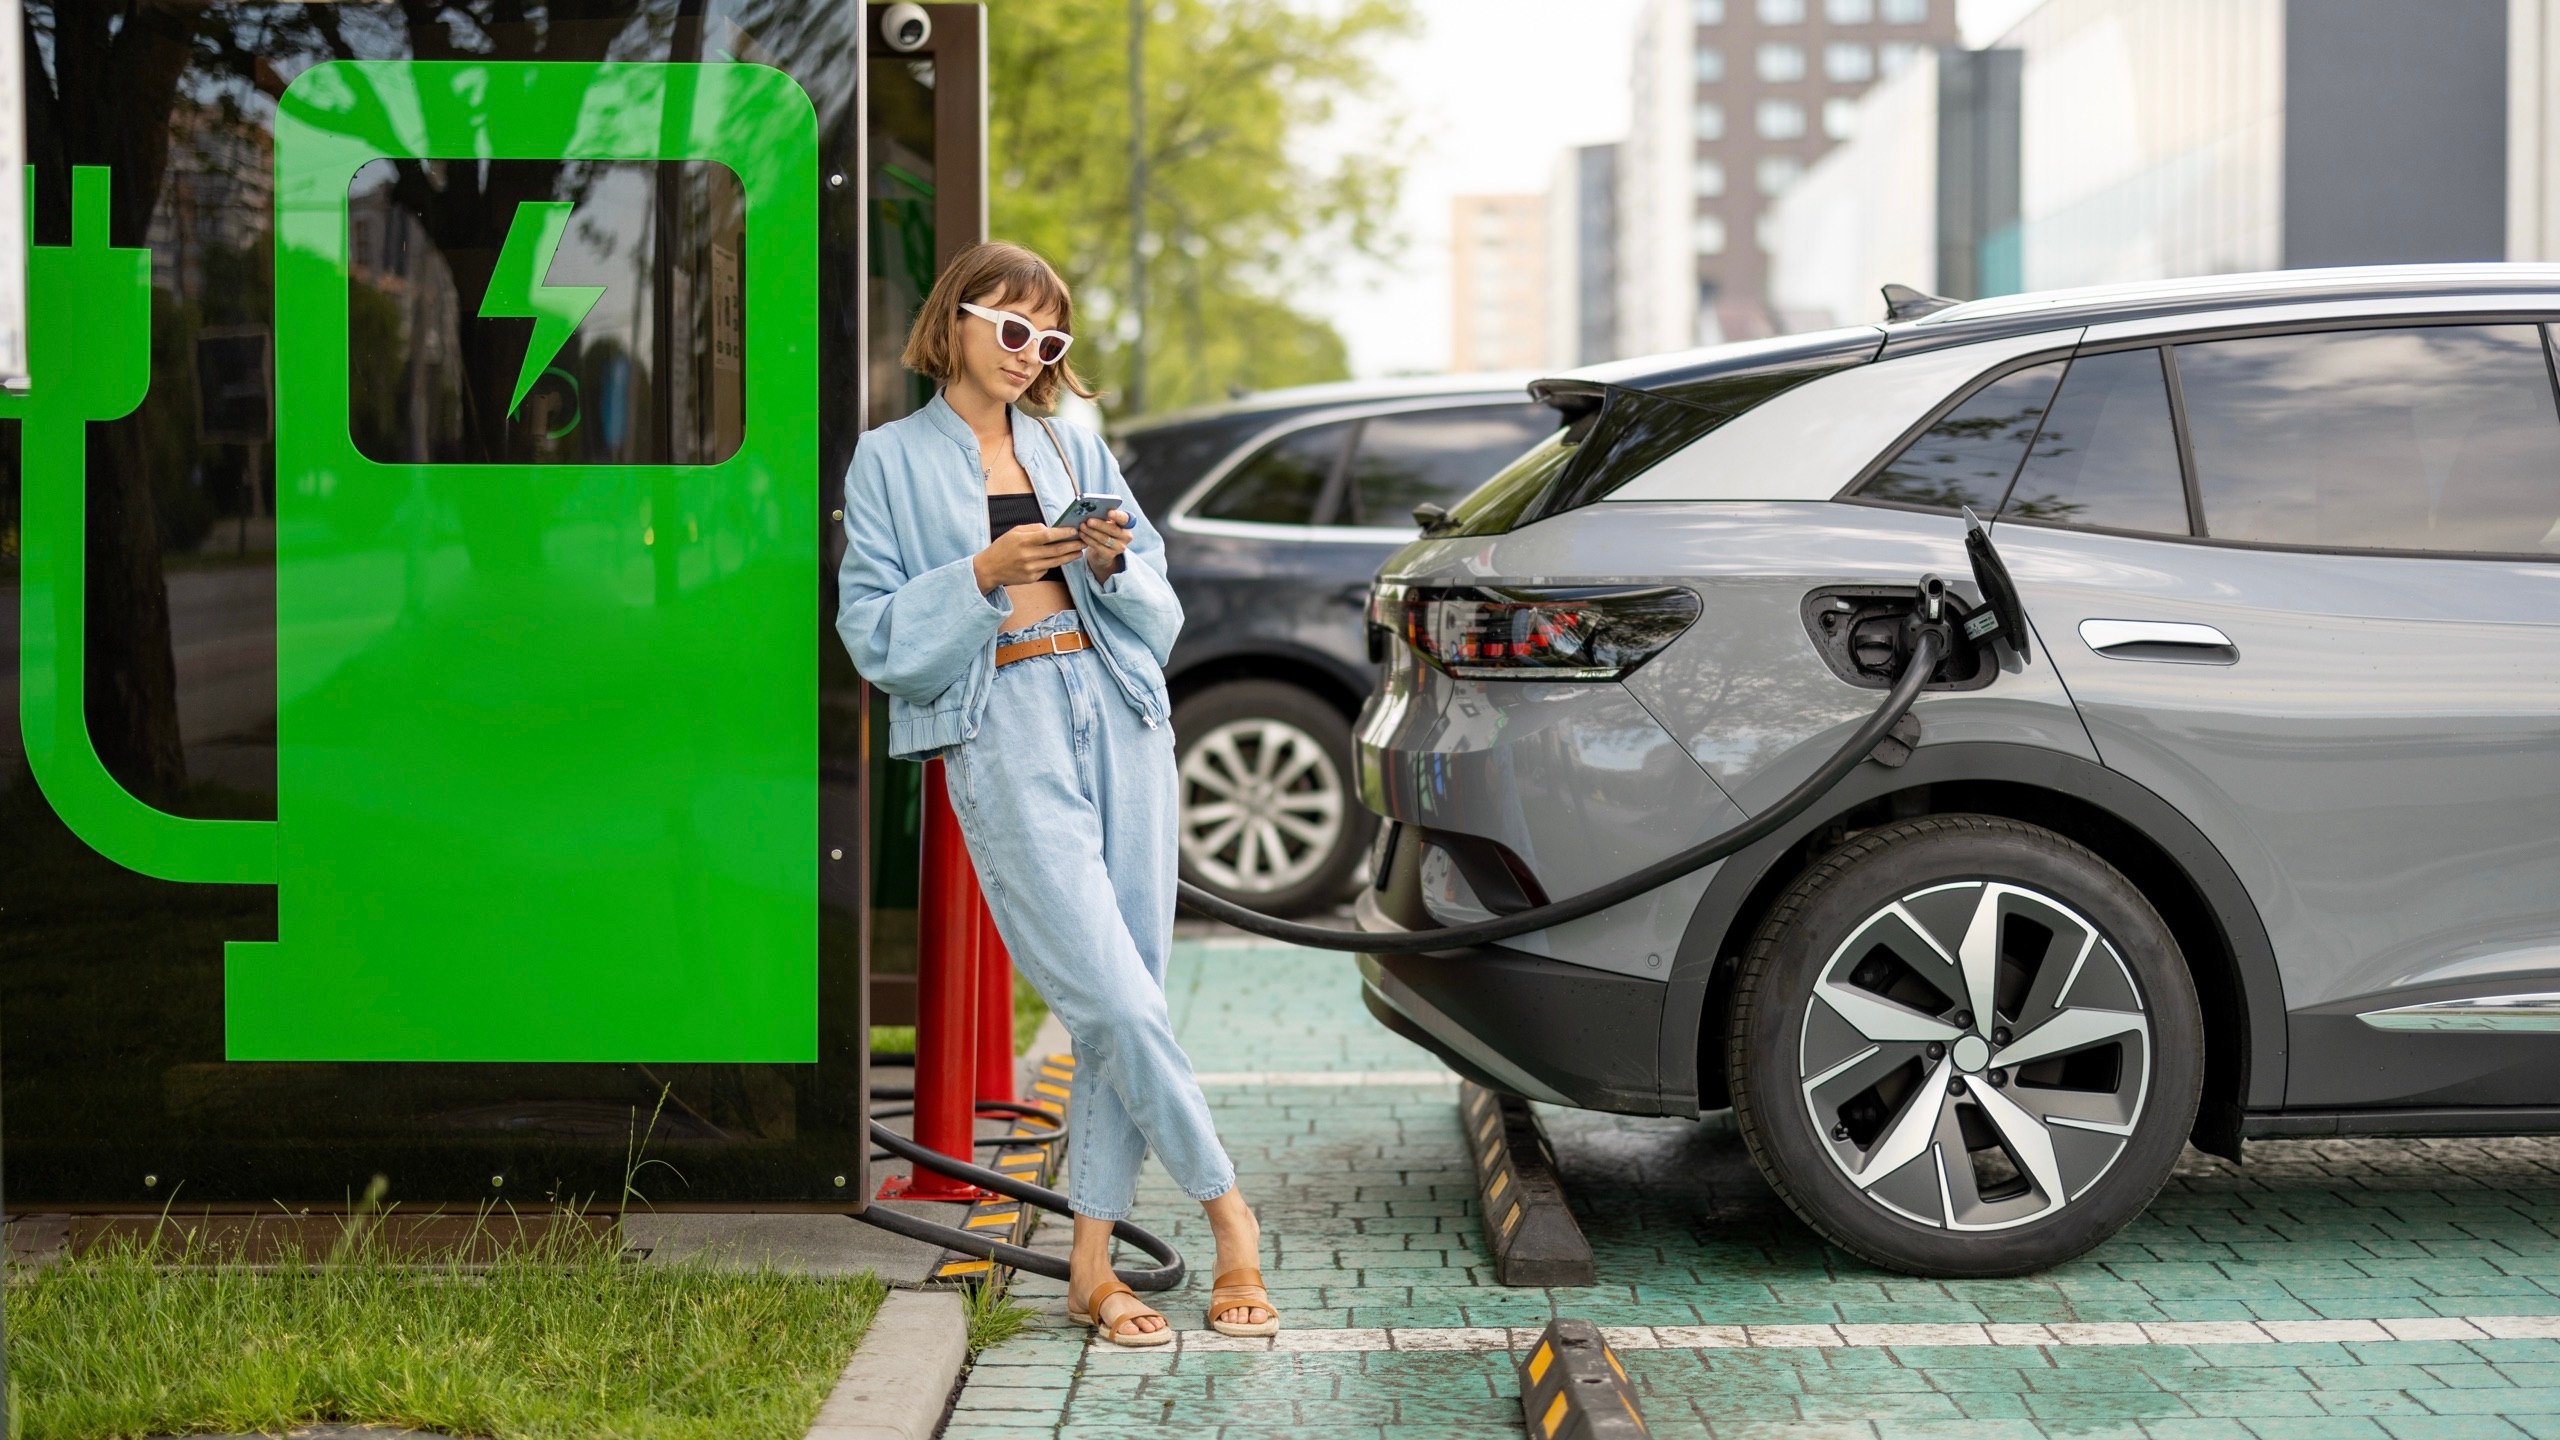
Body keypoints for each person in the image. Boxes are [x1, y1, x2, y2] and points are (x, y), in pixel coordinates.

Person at [834, 241, 1277, 1346]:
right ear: (956, 321)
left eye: (1050, 337)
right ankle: (1230, 1213)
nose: (1030, 352)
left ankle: (1090, 1267)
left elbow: (1160, 610)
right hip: (1003, 724)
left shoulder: (1074, 444)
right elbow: (874, 636)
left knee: (1127, 999)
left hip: (1119, 712)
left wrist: (1113, 562)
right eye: (1011, 327)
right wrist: (983, 574)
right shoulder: (887, 460)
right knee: (1113, 1003)